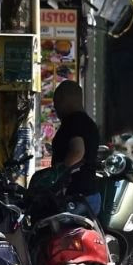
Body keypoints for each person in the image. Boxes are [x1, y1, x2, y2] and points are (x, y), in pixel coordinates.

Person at [51, 80, 102, 216]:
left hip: (77, 196)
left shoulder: (74, 121)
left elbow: (77, 151)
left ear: (64, 99)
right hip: (89, 194)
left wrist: (56, 175)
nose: (55, 107)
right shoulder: (88, 122)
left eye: (56, 101)